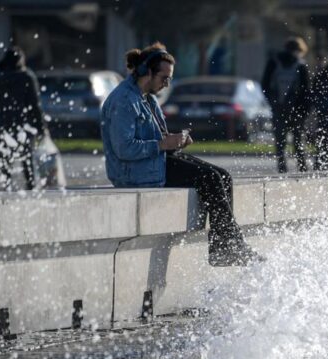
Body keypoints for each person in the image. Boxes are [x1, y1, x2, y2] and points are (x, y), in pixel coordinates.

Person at [101, 43, 258, 266]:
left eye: (170, 78)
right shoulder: (124, 101)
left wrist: (176, 142)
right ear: (147, 73)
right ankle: (226, 249)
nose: (167, 83)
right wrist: (163, 144)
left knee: (222, 175)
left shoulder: (148, 98)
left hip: (153, 161)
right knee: (210, 179)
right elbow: (124, 149)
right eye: (164, 77)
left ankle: (226, 246)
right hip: (134, 172)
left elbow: (159, 139)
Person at [0, 47, 46, 189]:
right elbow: (34, 104)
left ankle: (6, 184)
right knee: (27, 156)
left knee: (5, 157)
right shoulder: (26, 77)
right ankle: (31, 185)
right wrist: (40, 127)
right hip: (23, 124)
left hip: (4, 123)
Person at [261, 37, 311, 174]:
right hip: (297, 111)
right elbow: (306, 91)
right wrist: (305, 111)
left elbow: (264, 84)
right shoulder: (301, 65)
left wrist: (273, 102)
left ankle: (282, 169)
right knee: (299, 141)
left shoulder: (273, 62)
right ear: (300, 50)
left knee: (280, 142)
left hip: (278, 108)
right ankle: (302, 168)